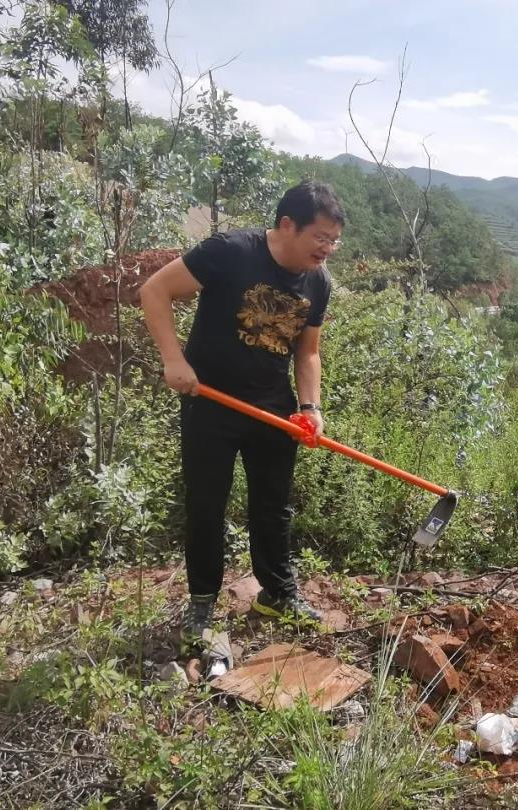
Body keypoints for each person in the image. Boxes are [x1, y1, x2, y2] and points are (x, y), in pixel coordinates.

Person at [140, 180, 345, 646]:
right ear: (287, 224)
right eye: (320, 238)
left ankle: (278, 593)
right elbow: (154, 291)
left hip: (273, 410)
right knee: (207, 504)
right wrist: (174, 360)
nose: (327, 250)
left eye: (333, 241)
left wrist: (311, 407)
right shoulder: (230, 252)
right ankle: (202, 602)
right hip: (211, 400)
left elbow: (307, 352)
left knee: (274, 507)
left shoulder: (318, 282)